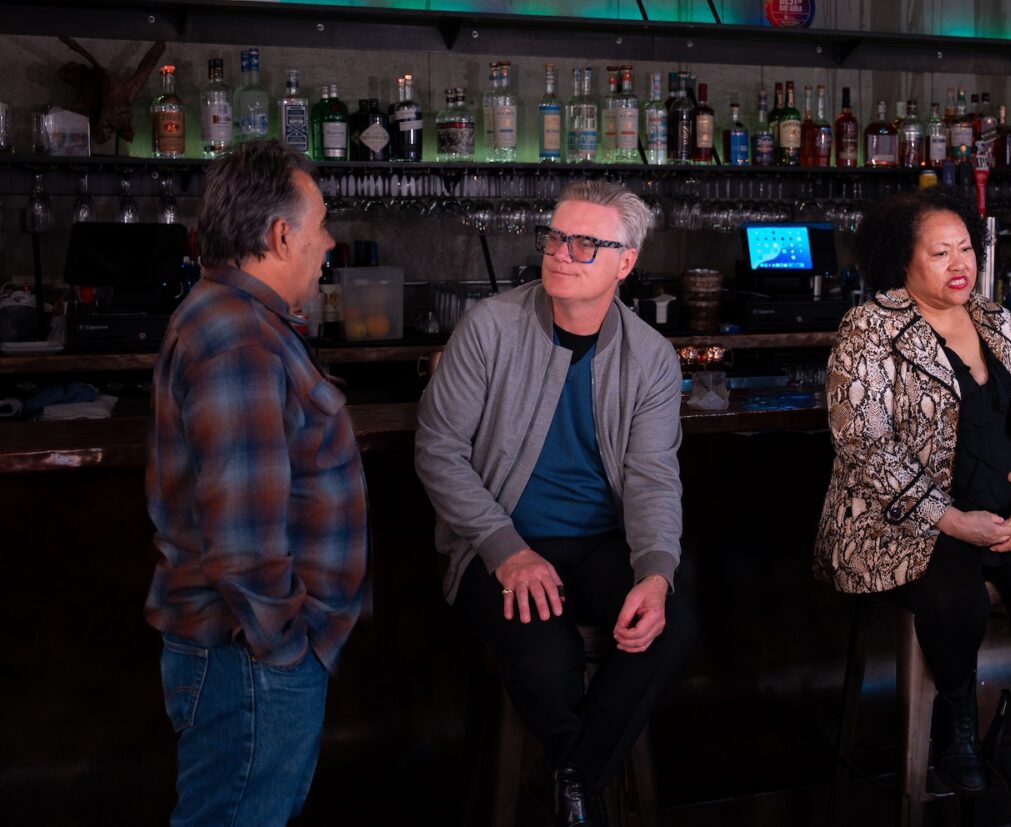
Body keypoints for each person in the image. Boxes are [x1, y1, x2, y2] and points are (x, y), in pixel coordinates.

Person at [416, 180, 694, 826]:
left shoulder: (651, 357)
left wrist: (655, 573)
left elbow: (653, 478)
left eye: (585, 243)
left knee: (671, 622)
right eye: (556, 237)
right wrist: (507, 552)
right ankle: (583, 790)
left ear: (626, 262)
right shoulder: (491, 328)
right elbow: (437, 451)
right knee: (548, 658)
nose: (562, 253)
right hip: (499, 539)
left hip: (601, 541)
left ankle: (570, 777)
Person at [814, 186, 1011, 822]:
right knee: (960, 598)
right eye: (940, 252)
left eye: (966, 249)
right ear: (902, 259)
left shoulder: (996, 320)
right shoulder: (870, 328)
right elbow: (864, 446)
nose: (960, 264)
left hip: (1005, 515)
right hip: (904, 524)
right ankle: (958, 724)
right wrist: (950, 518)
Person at [145, 141, 366, 826]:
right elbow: (243, 538)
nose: (328, 243)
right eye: (320, 225)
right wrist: (287, 649)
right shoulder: (238, 338)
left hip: (251, 655)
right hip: (250, 659)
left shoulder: (236, 319)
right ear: (279, 235)